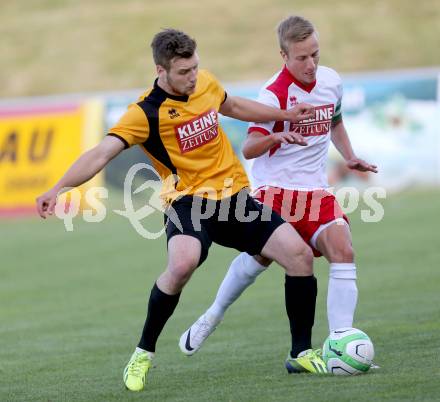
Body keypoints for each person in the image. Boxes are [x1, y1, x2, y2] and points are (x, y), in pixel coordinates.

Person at [36, 28, 322, 392]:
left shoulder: (204, 82)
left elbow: (232, 106)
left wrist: (286, 114)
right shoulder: (144, 113)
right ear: (161, 70)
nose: (192, 77)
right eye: (183, 72)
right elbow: (101, 152)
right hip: (187, 202)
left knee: (299, 256)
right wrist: (59, 187)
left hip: (234, 197)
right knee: (183, 263)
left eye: (195, 68)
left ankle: (300, 353)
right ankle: (143, 352)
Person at [179, 16, 378, 374]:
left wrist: (349, 157)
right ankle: (213, 314)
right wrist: (276, 136)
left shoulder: (331, 80)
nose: (311, 64)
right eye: (301, 57)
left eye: (315, 54)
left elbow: (335, 122)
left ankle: (339, 347)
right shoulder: (274, 92)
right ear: (283, 56)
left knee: (344, 250)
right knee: (260, 259)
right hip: (276, 190)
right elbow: (252, 146)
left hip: (316, 190)